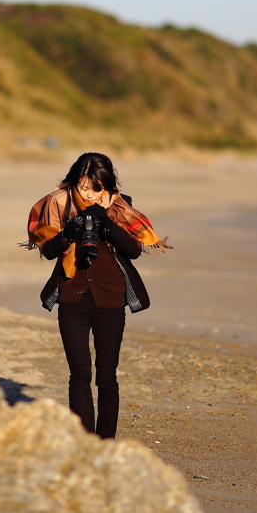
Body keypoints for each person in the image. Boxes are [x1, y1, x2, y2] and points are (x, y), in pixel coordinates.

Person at [23, 152, 170, 439]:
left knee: (107, 377)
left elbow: (134, 251)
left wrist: (107, 223)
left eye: (96, 188)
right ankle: (85, 444)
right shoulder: (60, 205)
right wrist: (68, 233)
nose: (88, 194)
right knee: (79, 374)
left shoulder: (120, 208)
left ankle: (105, 444)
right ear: (74, 181)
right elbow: (49, 251)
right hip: (72, 297)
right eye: (83, 186)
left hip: (111, 299)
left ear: (108, 187)